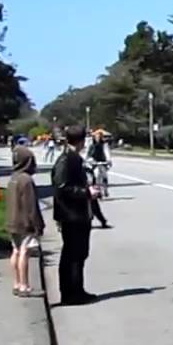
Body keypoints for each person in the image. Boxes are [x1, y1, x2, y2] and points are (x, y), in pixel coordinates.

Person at [52, 125, 97, 305]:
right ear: (80, 141)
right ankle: (70, 293)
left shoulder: (74, 158)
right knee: (72, 255)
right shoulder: (66, 160)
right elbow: (62, 188)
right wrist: (86, 192)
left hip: (79, 214)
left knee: (80, 254)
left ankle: (78, 289)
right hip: (71, 215)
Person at [6, 145, 44, 297]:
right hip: (25, 222)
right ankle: (24, 285)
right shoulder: (26, 180)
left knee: (15, 250)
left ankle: (16, 282)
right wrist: (37, 224)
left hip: (12, 221)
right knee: (24, 251)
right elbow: (31, 206)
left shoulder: (13, 178)